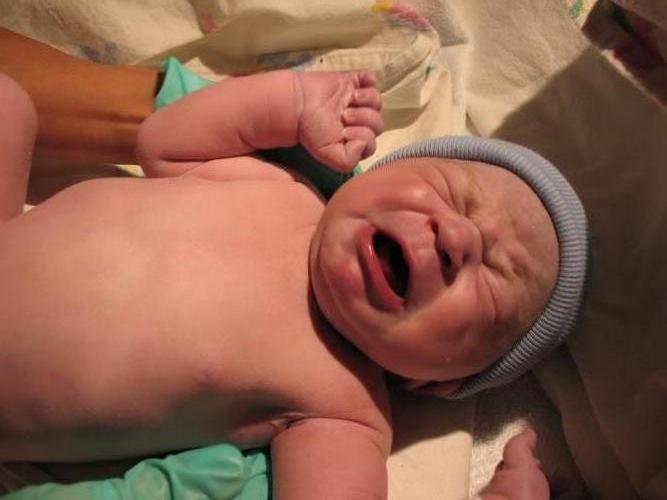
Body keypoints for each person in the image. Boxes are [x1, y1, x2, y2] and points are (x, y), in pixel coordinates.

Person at [0, 63, 589, 499]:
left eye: (494, 279)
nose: (457, 238)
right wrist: (293, 100)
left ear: (439, 380)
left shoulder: (344, 411)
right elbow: (161, 140)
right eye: (453, 192)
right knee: (10, 103)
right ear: (381, 170)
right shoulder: (280, 184)